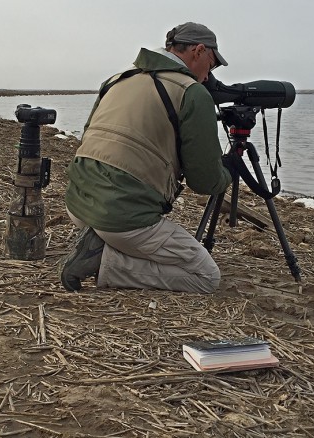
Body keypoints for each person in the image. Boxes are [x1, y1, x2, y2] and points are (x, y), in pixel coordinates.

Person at [60, 22, 233, 293]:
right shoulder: (191, 92)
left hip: (78, 205)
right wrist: (228, 171)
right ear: (199, 51)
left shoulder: (118, 79)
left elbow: (88, 136)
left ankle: (100, 241)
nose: (208, 77)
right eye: (211, 66)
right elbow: (205, 182)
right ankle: (103, 262)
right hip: (121, 220)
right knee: (205, 276)